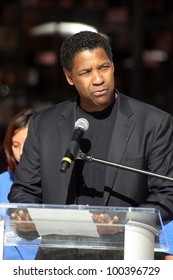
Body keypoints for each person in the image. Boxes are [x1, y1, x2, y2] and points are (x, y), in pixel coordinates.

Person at [8, 31, 173, 260]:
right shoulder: (44, 125)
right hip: (58, 262)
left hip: (128, 259)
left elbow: (167, 193)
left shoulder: (153, 123)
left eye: (103, 67)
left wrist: (125, 222)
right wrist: (26, 218)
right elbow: (24, 190)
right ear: (69, 76)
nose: (98, 79)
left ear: (113, 66)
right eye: (85, 72)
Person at [0, 108, 39, 260]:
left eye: (28, 144)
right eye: (15, 145)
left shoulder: (59, 184)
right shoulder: (2, 182)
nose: (22, 152)